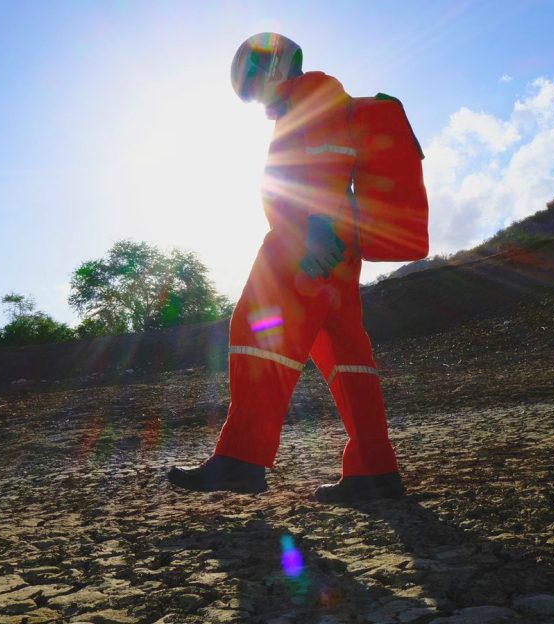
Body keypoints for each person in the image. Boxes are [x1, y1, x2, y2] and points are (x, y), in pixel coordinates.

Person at [168, 33, 404, 503]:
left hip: (305, 239)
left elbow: (325, 157)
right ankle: (375, 472)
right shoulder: (314, 96)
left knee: (256, 331)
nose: (257, 101)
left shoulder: (313, 91)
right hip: (336, 242)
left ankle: (241, 459)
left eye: (254, 87)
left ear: (273, 67)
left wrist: (317, 225)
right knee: (346, 357)